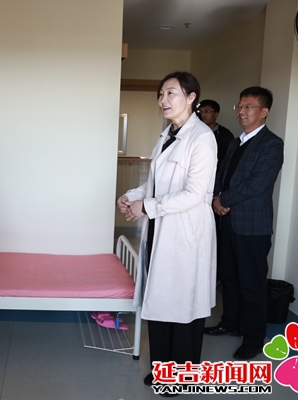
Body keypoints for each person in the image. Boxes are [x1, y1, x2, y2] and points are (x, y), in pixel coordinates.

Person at [116, 71, 217, 394]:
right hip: (161, 229)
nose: (163, 99)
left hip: (186, 233)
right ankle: (161, 370)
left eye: (171, 93)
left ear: (191, 97)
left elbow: (194, 193)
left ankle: (182, 377)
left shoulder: (202, 138)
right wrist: (132, 196)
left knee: (183, 306)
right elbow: (155, 184)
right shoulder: (167, 136)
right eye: (161, 93)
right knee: (159, 300)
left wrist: (147, 207)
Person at [204, 87, 284, 360]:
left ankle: (253, 338)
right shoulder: (235, 142)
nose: (241, 111)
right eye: (239, 106)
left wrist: (223, 199)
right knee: (229, 277)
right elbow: (221, 174)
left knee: (251, 283)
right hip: (227, 221)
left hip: (252, 226)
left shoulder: (271, 144)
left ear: (265, 111)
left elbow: (258, 183)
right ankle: (230, 323)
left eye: (248, 106)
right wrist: (215, 198)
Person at [198, 99, 235, 169]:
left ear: (216, 114)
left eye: (207, 111)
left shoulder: (225, 135)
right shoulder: (195, 132)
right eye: (200, 112)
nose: (202, 115)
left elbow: (228, 159)